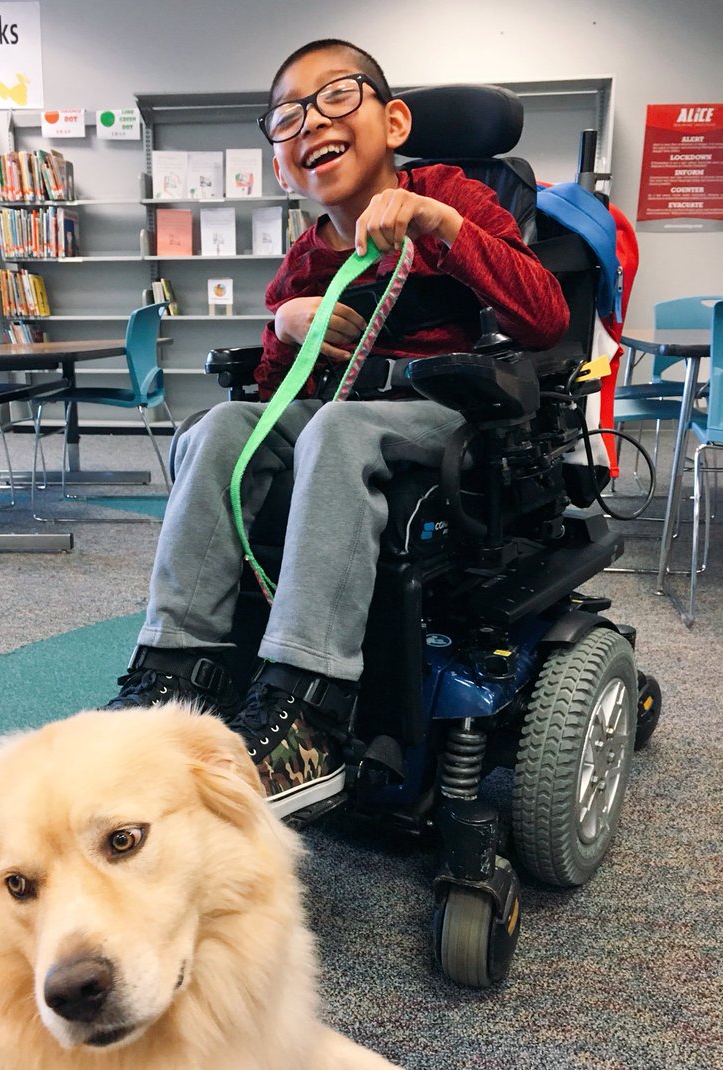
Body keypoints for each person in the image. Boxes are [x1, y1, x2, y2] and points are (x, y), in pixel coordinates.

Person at [107, 39, 569, 820]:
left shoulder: (454, 191)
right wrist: (285, 324)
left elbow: (546, 315)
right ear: (283, 165)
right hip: (338, 413)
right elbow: (267, 395)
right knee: (217, 431)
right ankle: (173, 676)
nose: (311, 120)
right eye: (287, 115)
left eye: (335, 97)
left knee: (336, 433)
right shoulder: (304, 256)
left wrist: (439, 224)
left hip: (446, 411)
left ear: (392, 122)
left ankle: (308, 715)